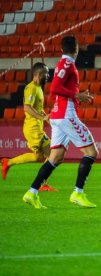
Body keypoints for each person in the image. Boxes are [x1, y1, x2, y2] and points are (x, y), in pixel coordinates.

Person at [22, 35, 98, 209]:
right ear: (76, 49)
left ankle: (31, 192)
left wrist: (75, 98)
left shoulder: (61, 64)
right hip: (65, 114)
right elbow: (55, 88)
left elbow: (54, 92)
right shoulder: (68, 64)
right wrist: (76, 95)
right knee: (92, 152)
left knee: (55, 157)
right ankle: (78, 193)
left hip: (58, 114)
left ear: (62, 49)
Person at [1, 62, 57, 192]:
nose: (48, 76)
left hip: (36, 127)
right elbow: (27, 107)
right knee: (52, 154)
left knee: (39, 157)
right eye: (46, 73)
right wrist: (42, 117)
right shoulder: (31, 88)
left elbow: (38, 108)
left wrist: (46, 118)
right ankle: (42, 184)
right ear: (38, 74)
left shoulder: (39, 88)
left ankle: (7, 162)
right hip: (33, 129)